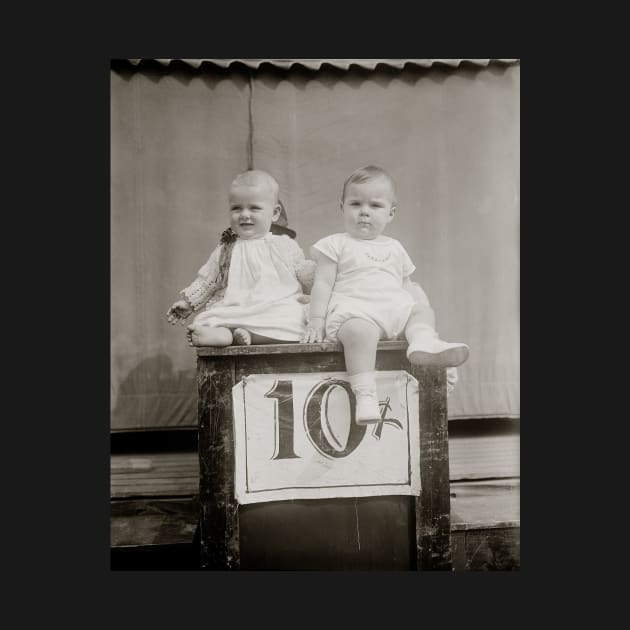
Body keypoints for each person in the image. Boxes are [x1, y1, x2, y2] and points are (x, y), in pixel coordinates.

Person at [302, 165, 468, 424]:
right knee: (360, 333)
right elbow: (322, 283)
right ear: (342, 207)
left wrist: (418, 309)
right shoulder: (334, 244)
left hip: (392, 310)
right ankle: (365, 394)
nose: (364, 212)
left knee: (421, 310)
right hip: (355, 310)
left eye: (375, 206)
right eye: (355, 204)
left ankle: (424, 342)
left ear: (391, 213)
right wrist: (316, 320)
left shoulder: (395, 247)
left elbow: (407, 285)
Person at [167, 170, 315, 346]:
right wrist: (188, 304)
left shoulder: (284, 245)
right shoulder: (226, 249)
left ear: (274, 213)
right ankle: (223, 336)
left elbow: (303, 271)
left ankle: (246, 335)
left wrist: (322, 270)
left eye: (254, 208)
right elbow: (207, 281)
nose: (244, 214)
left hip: (273, 306)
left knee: (293, 315)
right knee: (213, 317)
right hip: (237, 308)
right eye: (237, 208)